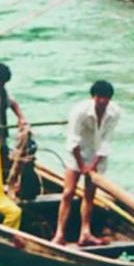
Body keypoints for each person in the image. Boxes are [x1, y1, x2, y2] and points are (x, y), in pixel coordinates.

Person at [56, 79, 120, 247]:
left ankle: (85, 232)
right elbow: (73, 141)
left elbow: (107, 141)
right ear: (94, 97)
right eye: (100, 97)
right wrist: (82, 165)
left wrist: (92, 165)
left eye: (106, 98)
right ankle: (59, 234)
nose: (103, 101)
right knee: (68, 193)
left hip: (97, 156)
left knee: (90, 195)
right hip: (76, 153)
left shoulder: (114, 113)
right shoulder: (79, 112)